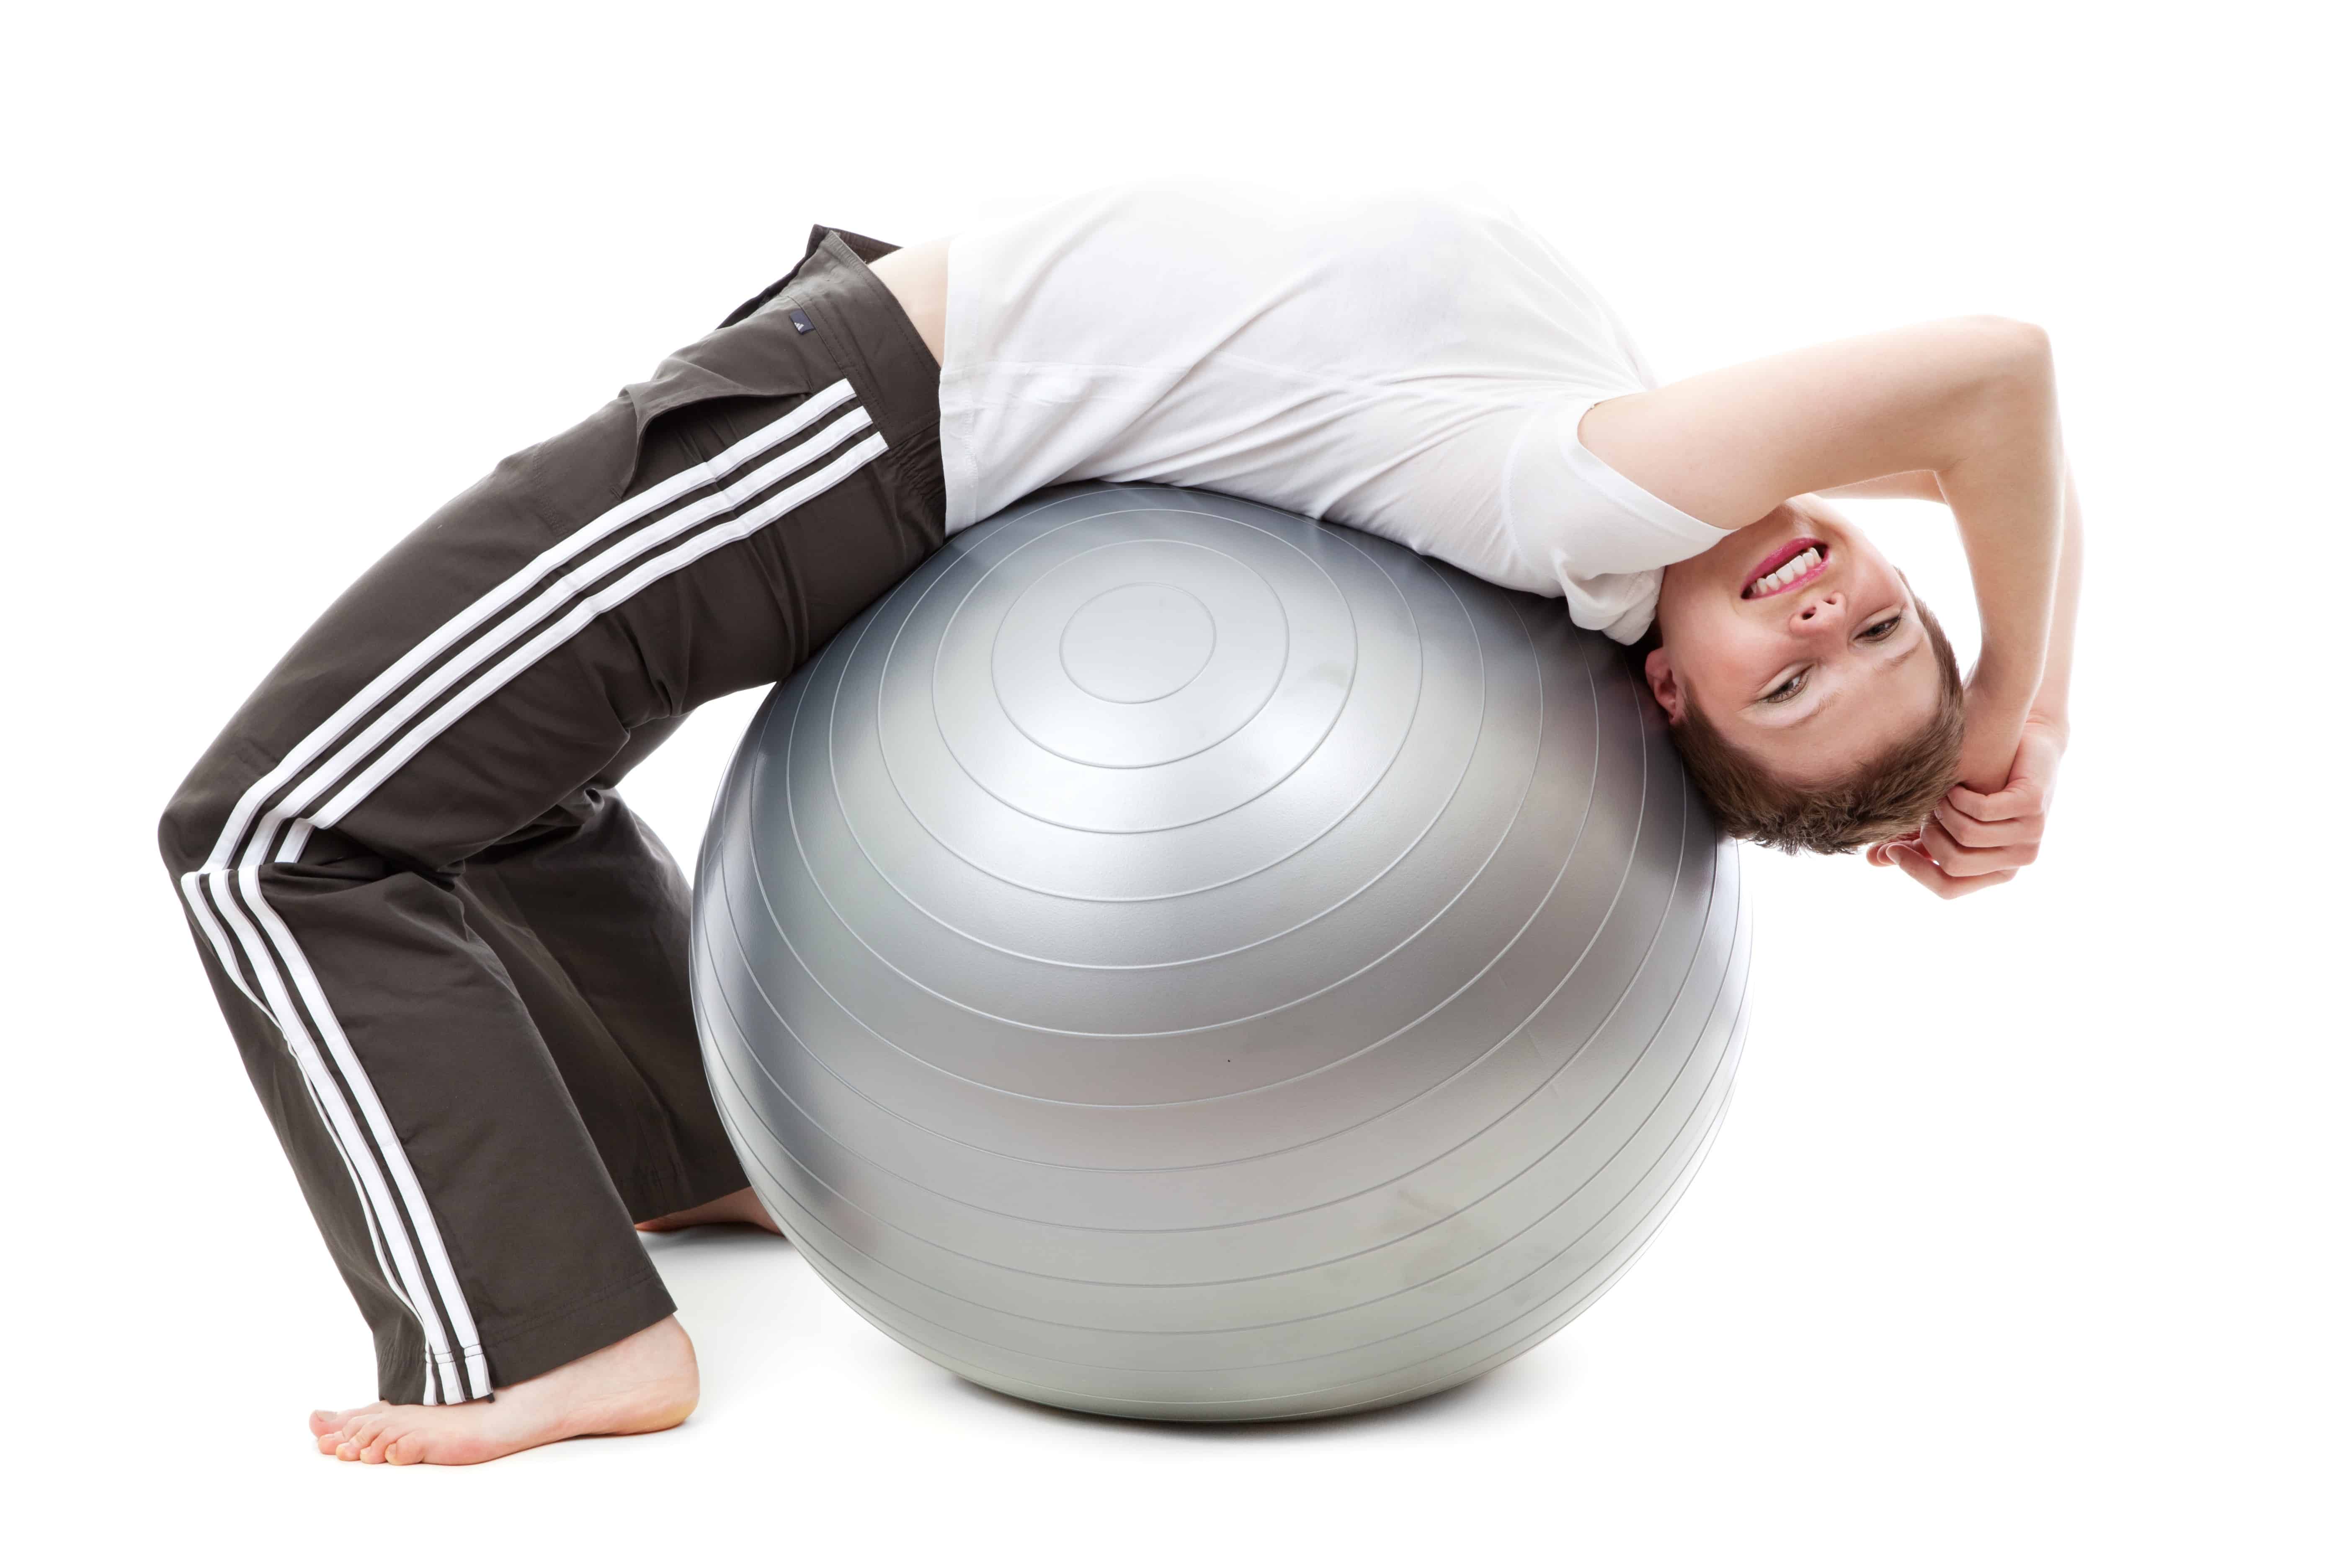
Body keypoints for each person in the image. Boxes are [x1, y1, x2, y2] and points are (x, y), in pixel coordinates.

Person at [158, 176, 2079, 1466]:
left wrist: (2013, 713)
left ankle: (538, 1336)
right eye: (1886, 617)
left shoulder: (1578, 506)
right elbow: (1973, 445)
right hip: (886, 387)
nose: (1832, 614)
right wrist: (1969, 716)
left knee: (273, 834)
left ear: (1670, 694)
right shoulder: (1664, 483)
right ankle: (691, 1148)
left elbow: (1995, 375)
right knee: (493, 772)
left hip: (862, 419)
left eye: (1796, 684)